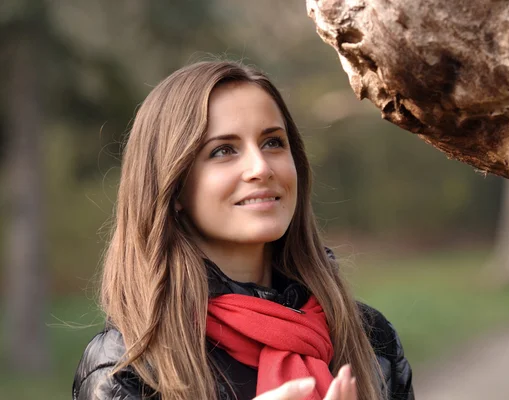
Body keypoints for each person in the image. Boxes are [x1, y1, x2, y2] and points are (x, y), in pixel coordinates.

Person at [72, 61, 414, 400]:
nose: (260, 168)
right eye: (224, 150)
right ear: (174, 188)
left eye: (273, 143)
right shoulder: (127, 366)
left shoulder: (369, 339)